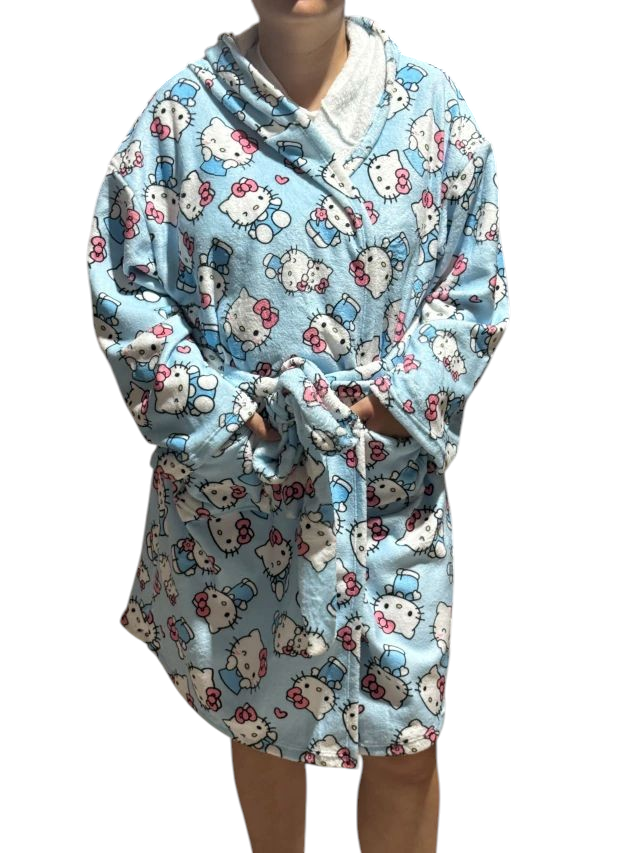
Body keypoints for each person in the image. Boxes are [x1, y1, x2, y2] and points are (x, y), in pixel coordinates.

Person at [86, 1, 509, 850]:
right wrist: (236, 417)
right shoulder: (180, 122)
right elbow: (129, 293)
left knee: (405, 743)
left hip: (385, 488)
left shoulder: (431, 111)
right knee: (262, 719)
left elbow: (473, 282)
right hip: (247, 485)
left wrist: (387, 403)